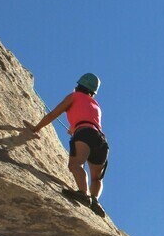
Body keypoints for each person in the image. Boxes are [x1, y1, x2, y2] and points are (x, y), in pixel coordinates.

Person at [27, 72, 109, 217]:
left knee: (75, 165)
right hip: (101, 140)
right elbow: (88, 121)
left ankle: (83, 194)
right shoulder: (96, 105)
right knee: (96, 178)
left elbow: (53, 115)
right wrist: (74, 129)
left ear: (78, 86)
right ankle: (95, 200)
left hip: (84, 134)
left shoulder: (74, 97)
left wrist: (36, 128)